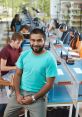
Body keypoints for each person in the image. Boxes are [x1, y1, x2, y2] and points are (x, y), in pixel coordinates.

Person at [3, 28, 58, 117]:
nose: (35, 43)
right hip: (20, 92)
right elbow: (17, 74)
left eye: (39, 40)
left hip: (38, 96)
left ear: (44, 41)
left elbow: (49, 84)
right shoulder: (24, 55)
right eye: (33, 40)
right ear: (30, 41)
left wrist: (33, 98)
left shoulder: (50, 59)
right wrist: (17, 94)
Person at [0, 32, 24, 97]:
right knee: (23, 78)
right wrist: (15, 67)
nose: (19, 45)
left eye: (20, 43)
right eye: (18, 43)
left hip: (14, 70)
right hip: (6, 73)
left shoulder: (18, 47)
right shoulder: (5, 51)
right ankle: (11, 92)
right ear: (12, 41)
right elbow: (2, 68)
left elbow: (22, 56)